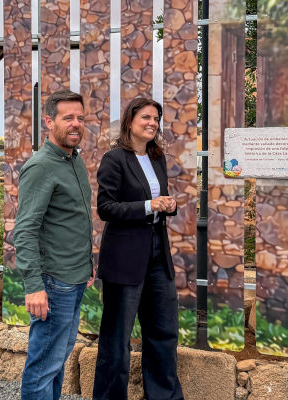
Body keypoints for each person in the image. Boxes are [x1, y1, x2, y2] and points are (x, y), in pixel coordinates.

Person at [92, 97, 184, 400]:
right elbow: (106, 208)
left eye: (156, 118)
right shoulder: (114, 159)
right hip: (125, 257)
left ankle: (164, 396)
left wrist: (168, 204)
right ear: (130, 121)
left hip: (158, 253)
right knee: (117, 337)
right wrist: (148, 206)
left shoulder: (157, 158)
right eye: (146, 117)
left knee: (164, 331)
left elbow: (158, 199)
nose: (152, 123)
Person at [16, 89, 96, 400]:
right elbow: (25, 231)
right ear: (49, 122)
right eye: (68, 118)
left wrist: (87, 265)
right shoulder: (41, 167)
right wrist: (34, 287)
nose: (76, 124)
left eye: (80, 118)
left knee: (57, 360)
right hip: (53, 284)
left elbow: (72, 220)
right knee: (43, 367)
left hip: (74, 278)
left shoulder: (74, 161)